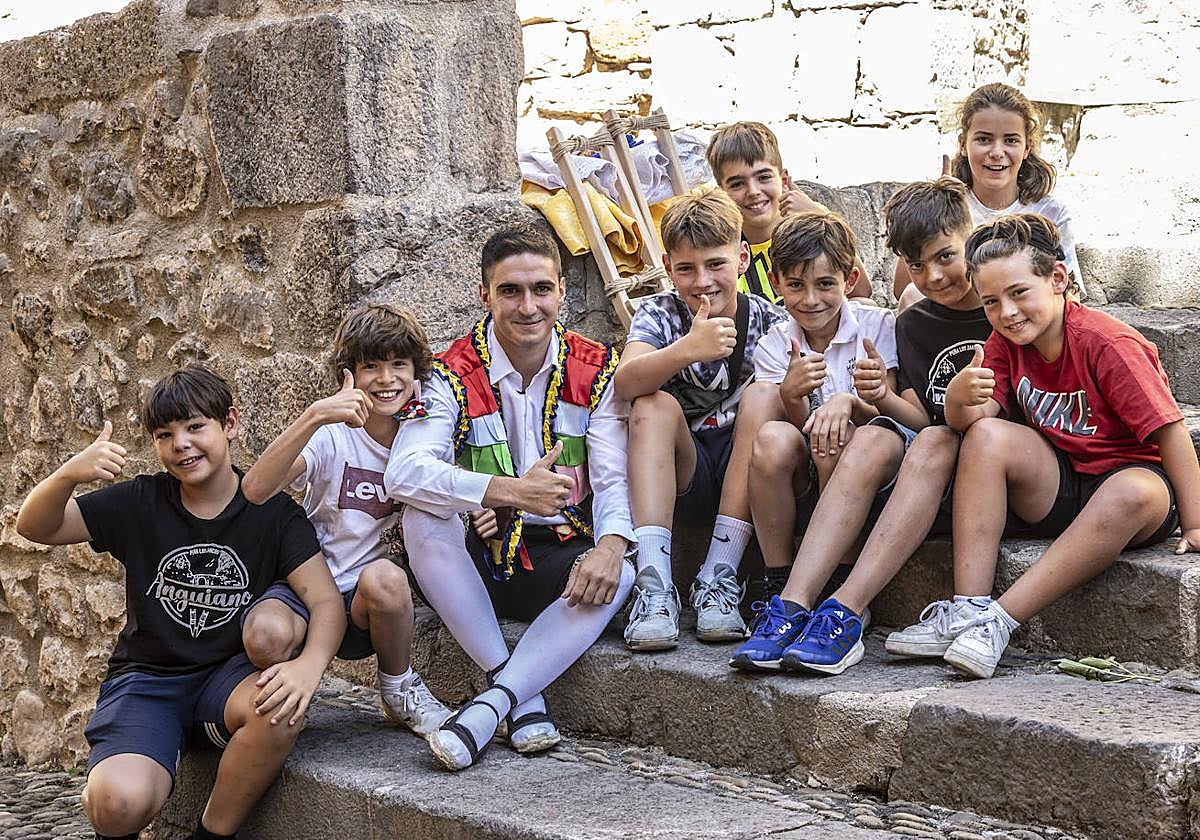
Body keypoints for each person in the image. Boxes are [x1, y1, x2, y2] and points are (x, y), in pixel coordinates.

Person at [14, 366, 344, 840]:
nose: (182, 444)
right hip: (149, 681)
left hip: (227, 680)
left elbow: (327, 602)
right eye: (165, 435)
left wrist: (308, 667)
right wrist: (69, 473)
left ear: (229, 424)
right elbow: (35, 526)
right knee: (114, 805)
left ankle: (212, 834)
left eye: (195, 427)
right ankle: (130, 769)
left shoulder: (272, 511)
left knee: (280, 706)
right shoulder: (142, 501)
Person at [891, 214, 1200, 679]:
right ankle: (969, 608)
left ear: (1057, 278)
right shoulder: (1004, 343)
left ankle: (999, 621)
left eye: (1019, 293)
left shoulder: (1107, 343)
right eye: (991, 302)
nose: (1007, 312)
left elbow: (1171, 432)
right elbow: (977, 424)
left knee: (1131, 491)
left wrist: (1195, 524)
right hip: (1060, 479)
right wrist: (958, 401)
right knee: (985, 436)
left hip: (1134, 486)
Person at [386, 222, 636, 770]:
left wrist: (613, 545)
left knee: (622, 572)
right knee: (422, 518)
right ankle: (519, 689)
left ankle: (493, 704)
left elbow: (615, 478)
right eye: (510, 291)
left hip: (555, 556)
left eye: (541, 289)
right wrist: (506, 490)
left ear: (562, 293)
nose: (528, 306)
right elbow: (404, 472)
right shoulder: (449, 372)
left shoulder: (596, 368)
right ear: (485, 295)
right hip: (474, 564)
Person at [240, 303, 453, 735]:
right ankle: (276, 688)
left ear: (417, 373)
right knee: (263, 636)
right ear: (349, 374)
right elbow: (256, 490)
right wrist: (315, 414)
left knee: (386, 579)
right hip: (309, 588)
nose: (387, 378)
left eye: (399, 364)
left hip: (366, 606)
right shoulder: (333, 436)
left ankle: (398, 688)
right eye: (371, 366)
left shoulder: (427, 438)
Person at [619, 188, 788, 650]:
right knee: (651, 404)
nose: (702, 281)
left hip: (746, 474)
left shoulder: (771, 321)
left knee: (762, 396)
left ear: (742, 258)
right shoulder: (657, 313)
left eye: (715, 264)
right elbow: (626, 382)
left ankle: (719, 577)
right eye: (686, 268)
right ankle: (654, 587)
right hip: (683, 473)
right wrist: (685, 351)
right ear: (669, 268)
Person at [728, 210, 898, 671]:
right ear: (776, 282)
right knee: (769, 439)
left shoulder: (878, 326)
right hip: (809, 466)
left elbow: (894, 414)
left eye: (825, 284)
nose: (811, 299)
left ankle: (839, 581)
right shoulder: (775, 342)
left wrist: (847, 402)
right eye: (796, 285)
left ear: (851, 278)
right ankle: (778, 581)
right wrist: (791, 394)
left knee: (839, 431)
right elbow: (795, 427)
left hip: (870, 467)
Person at [894, 83, 1085, 310]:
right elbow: (903, 290)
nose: (996, 153)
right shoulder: (950, 204)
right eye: (984, 139)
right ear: (963, 144)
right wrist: (931, 211)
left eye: (1011, 140)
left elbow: (1069, 293)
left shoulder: (1049, 211)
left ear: (1027, 148)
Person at [707, 120, 872, 304]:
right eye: (737, 184)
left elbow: (862, 292)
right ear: (721, 192)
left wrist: (820, 218)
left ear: (783, 180)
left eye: (764, 177)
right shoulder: (720, 243)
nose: (753, 191)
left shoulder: (813, 222)